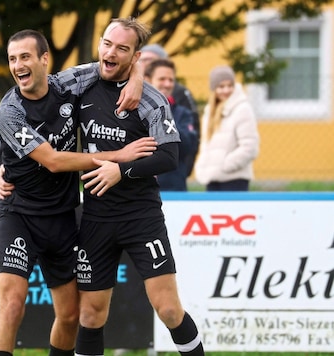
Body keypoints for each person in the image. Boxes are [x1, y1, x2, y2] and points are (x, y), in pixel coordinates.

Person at [0, 29, 156, 356]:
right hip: (19, 216)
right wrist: (119, 156)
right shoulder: (8, 111)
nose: (18, 65)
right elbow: (51, 160)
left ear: (44, 59)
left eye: (25, 57)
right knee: (11, 306)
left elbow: (114, 61)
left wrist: (137, 76)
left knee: (69, 316)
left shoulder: (69, 83)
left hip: (62, 218)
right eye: (12, 59)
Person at [73, 17, 205, 355]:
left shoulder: (151, 99)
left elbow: (169, 156)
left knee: (170, 309)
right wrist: (7, 167)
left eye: (122, 48)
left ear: (135, 56)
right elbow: (35, 101)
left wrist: (122, 170)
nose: (111, 52)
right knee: (90, 314)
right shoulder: (79, 83)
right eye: (107, 43)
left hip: (140, 216)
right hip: (97, 218)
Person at [194, 65, 259, 191]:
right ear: (213, 89)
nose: (226, 90)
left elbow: (250, 147)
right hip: (212, 178)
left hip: (234, 179)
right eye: (221, 86)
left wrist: (226, 165)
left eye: (230, 86)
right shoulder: (210, 112)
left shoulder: (242, 109)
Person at [139, 43, 200, 176]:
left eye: (170, 80)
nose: (167, 84)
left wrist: (164, 114)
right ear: (148, 79)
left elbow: (187, 146)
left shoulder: (182, 111)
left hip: (173, 184)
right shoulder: (132, 106)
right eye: (162, 79)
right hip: (140, 183)